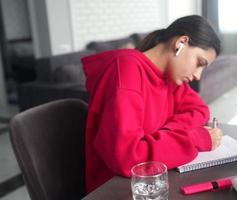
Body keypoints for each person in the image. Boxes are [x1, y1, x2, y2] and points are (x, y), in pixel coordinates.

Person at [81, 15, 223, 193]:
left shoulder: (170, 78)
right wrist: (195, 138)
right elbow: (127, 157)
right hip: (117, 188)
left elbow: (200, 110)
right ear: (181, 43)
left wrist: (167, 135)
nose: (197, 75)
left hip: (154, 183)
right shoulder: (127, 71)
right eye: (199, 63)